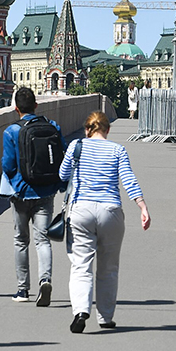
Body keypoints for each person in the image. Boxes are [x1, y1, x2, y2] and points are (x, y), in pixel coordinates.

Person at [60, 111, 150, 333]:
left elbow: (62, 175)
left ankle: (81, 311)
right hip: (110, 210)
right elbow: (128, 178)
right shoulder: (117, 149)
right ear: (107, 130)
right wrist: (142, 205)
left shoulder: (76, 146)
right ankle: (105, 317)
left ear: (87, 129)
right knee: (109, 267)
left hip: (81, 210)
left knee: (81, 265)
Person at [1, 87, 61, 306]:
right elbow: (61, 159)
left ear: (16, 108)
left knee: (20, 240)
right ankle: (45, 279)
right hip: (46, 191)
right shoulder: (53, 126)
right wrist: (59, 184)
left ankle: (22, 289)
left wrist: (16, 181)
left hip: (20, 193)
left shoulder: (11, 131)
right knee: (42, 239)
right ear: (36, 105)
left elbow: (7, 165)